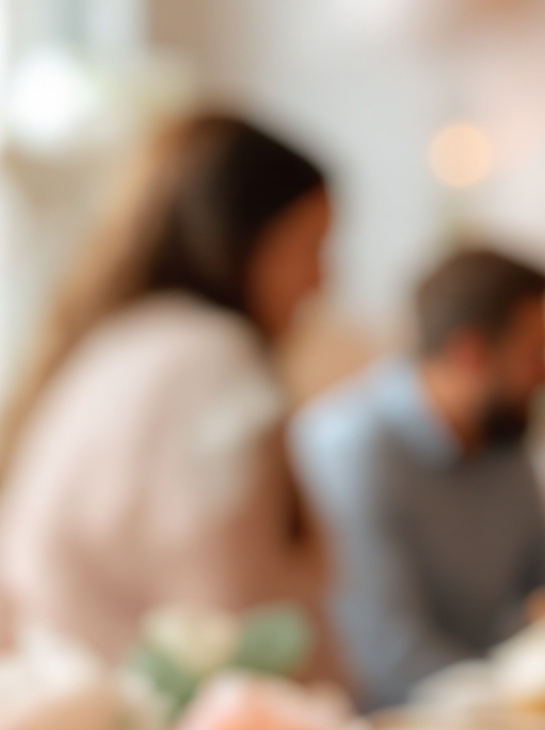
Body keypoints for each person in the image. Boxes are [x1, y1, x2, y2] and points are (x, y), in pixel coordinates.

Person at [0, 111, 335, 662]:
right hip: (141, 702)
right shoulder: (212, 364)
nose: (323, 280)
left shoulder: (123, 344)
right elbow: (225, 616)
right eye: (310, 246)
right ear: (241, 242)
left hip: (75, 687)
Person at [295, 245, 545, 713]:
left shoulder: (505, 440)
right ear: (470, 355)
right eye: (536, 354)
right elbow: (391, 659)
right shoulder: (354, 451)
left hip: (500, 722)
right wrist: (531, 696)